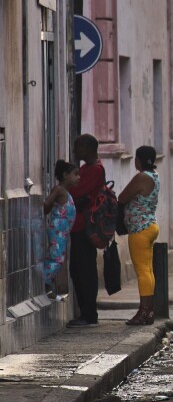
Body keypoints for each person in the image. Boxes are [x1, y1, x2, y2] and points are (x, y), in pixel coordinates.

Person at [118, 146, 161, 326]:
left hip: (139, 229)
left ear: (139, 160)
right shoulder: (154, 176)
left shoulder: (142, 177)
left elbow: (122, 197)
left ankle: (144, 311)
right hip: (150, 225)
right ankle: (149, 311)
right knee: (148, 271)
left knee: (143, 271)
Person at [67, 134, 106, 328]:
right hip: (78, 225)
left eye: (78, 147)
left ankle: (89, 314)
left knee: (84, 270)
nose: (75, 151)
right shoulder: (86, 168)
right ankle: (87, 312)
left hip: (85, 227)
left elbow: (76, 190)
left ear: (88, 148)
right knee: (77, 269)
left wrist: (64, 185)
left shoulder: (95, 170)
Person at [43, 160, 79, 296]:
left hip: (62, 233)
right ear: (65, 175)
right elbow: (47, 204)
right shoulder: (59, 190)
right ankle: (45, 282)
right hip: (57, 231)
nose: (78, 178)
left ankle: (48, 285)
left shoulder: (66, 193)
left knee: (56, 258)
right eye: (75, 174)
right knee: (57, 259)